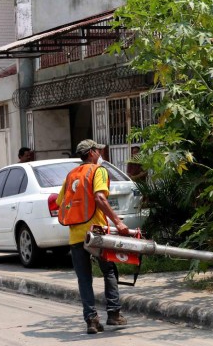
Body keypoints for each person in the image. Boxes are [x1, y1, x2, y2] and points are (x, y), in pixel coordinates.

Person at [57, 139, 130, 334]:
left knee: (84, 279)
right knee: (109, 271)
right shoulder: (98, 171)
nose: (100, 153)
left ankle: (91, 320)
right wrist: (118, 222)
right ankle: (114, 314)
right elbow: (99, 198)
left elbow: (60, 202)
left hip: (75, 235)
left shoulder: (71, 175)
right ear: (91, 153)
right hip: (96, 233)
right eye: (98, 150)